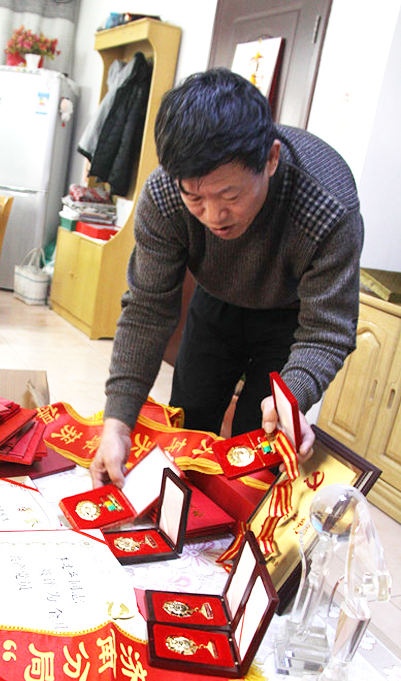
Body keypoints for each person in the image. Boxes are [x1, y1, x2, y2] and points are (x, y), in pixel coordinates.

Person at [90, 67, 364, 488]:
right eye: (196, 198)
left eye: (230, 195)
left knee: (260, 442)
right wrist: (118, 422)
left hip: (290, 318)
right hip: (215, 299)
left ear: (270, 159)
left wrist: (292, 396)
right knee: (190, 419)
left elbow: (327, 330)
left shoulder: (328, 206)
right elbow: (146, 310)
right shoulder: (165, 195)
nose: (214, 216)